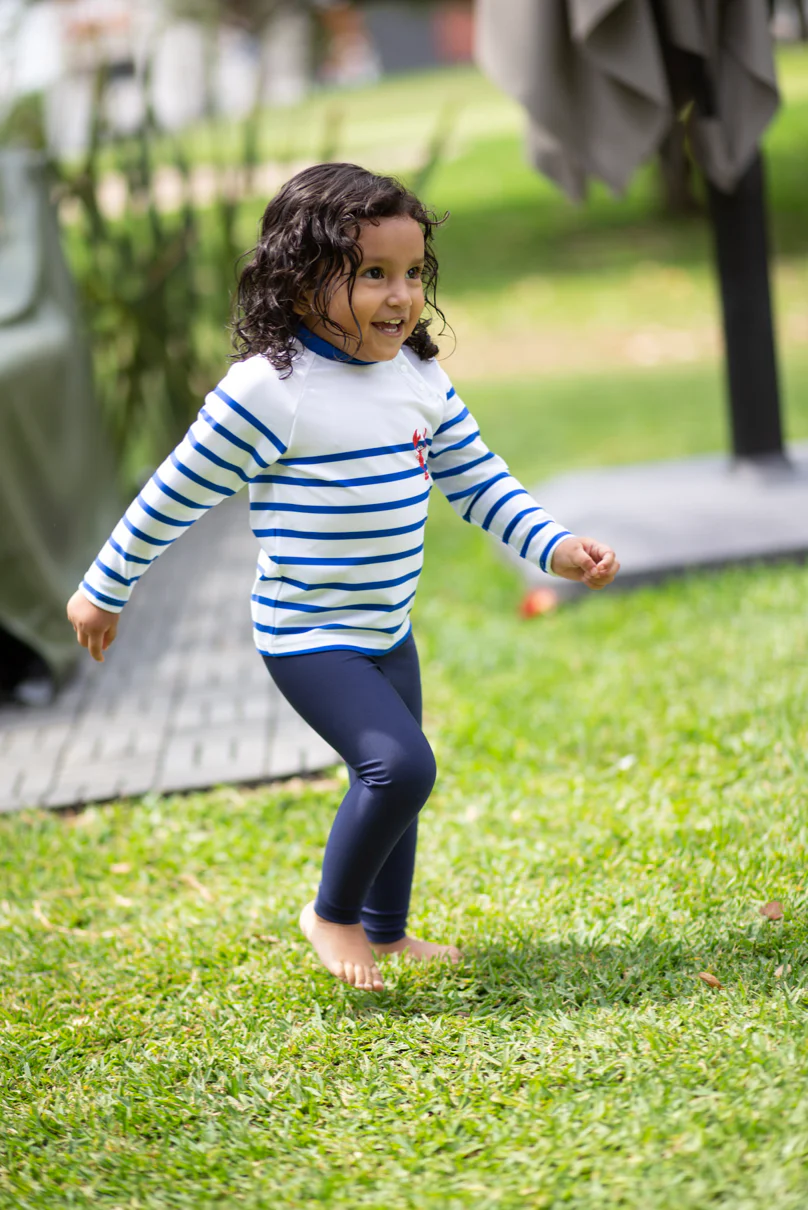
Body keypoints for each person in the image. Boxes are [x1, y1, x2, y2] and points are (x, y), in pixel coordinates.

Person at [66, 163, 619, 993]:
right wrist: (105, 586)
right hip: (308, 636)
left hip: (386, 630)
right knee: (400, 767)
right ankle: (332, 915)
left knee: (401, 781)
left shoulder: (417, 379)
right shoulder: (270, 391)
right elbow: (174, 491)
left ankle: (387, 935)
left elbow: (480, 481)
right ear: (299, 283)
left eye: (411, 274)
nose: (401, 296)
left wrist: (556, 547)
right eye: (372, 275)